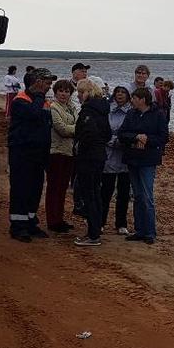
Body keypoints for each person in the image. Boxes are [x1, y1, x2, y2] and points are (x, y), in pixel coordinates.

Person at [7, 68, 54, 243]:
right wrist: (40, 97)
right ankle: (18, 226)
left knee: (35, 189)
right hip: (22, 152)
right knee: (21, 189)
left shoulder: (41, 101)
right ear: (38, 82)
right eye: (47, 83)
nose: (49, 86)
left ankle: (30, 222)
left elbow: (46, 125)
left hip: (38, 154)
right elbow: (34, 115)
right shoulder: (21, 100)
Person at [118, 87, 168, 244]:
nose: (131, 100)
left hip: (148, 159)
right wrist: (136, 137)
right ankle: (140, 230)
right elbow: (122, 134)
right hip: (133, 158)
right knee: (138, 195)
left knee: (147, 196)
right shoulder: (131, 114)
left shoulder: (158, 114)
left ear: (142, 99)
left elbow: (164, 137)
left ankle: (150, 232)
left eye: (134, 98)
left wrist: (147, 140)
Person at [72, 79, 111, 247]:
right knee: (95, 193)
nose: (78, 96)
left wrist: (80, 145)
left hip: (89, 158)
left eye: (80, 93)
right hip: (99, 156)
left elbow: (88, 134)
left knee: (89, 194)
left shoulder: (88, 112)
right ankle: (95, 229)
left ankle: (93, 233)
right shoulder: (102, 110)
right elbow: (107, 134)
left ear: (87, 92)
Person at [45, 79, 78, 234]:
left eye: (67, 91)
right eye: (61, 91)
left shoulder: (70, 108)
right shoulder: (53, 107)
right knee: (54, 187)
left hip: (69, 152)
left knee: (63, 187)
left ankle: (59, 218)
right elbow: (62, 129)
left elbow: (77, 123)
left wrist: (75, 127)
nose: (64, 94)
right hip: (56, 152)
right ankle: (52, 220)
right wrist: (77, 129)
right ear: (55, 92)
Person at [101, 86, 132, 236]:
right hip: (109, 154)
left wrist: (123, 140)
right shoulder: (108, 109)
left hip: (125, 156)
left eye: (123, 93)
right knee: (105, 191)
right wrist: (112, 140)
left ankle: (121, 223)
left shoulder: (132, 112)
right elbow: (102, 129)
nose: (120, 95)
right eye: (117, 92)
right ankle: (100, 221)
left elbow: (132, 131)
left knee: (124, 192)